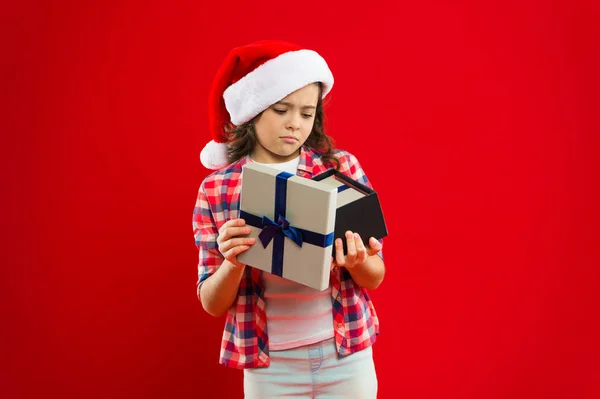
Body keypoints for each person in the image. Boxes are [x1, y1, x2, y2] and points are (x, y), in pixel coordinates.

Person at [193, 40, 385, 398]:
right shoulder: (217, 189)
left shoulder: (340, 169)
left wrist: (358, 262)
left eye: (307, 113)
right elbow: (211, 302)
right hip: (271, 366)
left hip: (345, 354)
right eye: (281, 109)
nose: (295, 124)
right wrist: (232, 262)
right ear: (254, 110)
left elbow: (376, 276)